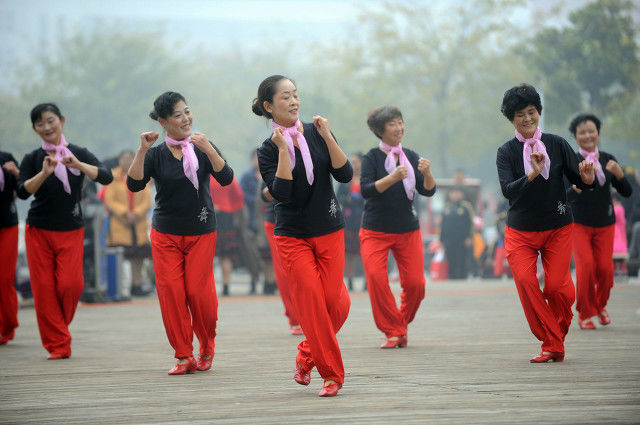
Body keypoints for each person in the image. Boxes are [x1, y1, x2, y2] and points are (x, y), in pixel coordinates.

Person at [253, 75, 352, 397]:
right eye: (285, 97)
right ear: (269, 106)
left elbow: (345, 174)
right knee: (311, 302)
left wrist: (327, 136)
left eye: (295, 95)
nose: (294, 102)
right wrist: (283, 151)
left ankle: (305, 355)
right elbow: (280, 191)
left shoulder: (318, 131)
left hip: (329, 229)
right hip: (292, 234)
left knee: (337, 305)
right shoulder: (267, 150)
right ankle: (332, 375)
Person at [127, 91, 233, 374]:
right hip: (166, 233)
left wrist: (208, 148)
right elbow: (134, 184)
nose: (186, 118)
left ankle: (206, 346)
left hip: (201, 230)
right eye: (178, 115)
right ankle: (183, 355)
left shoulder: (202, 146)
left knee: (199, 294)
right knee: (172, 293)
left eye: (187, 111)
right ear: (163, 121)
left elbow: (226, 177)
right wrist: (142, 150)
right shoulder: (157, 155)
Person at [496, 84, 595, 363]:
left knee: (556, 288)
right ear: (511, 118)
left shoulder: (558, 144)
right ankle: (552, 342)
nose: (527, 119)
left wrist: (586, 180)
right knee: (527, 283)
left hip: (558, 226)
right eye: (519, 114)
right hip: (520, 231)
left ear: (538, 112)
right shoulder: (506, 152)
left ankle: (554, 338)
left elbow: (578, 180)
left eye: (531, 112)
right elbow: (507, 190)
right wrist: (531, 173)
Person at [17, 103, 114, 359]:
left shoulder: (78, 152)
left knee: (72, 285)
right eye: (40, 124)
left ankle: (58, 327)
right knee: (44, 289)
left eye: (50, 120)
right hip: (38, 229)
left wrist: (79, 165)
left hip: (71, 227)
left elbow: (105, 176)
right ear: (35, 129)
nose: (47, 127)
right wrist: (44, 173)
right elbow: (22, 191)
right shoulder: (33, 159)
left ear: (61, 120)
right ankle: (58, 344)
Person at [359, 106, 436, 349]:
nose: (399, 127)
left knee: (416, 284)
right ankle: (393, 330)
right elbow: (366, 190)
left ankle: (399, 323)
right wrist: (392, 178)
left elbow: (428, 190)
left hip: (407, 228)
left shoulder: (410, 156)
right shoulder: (371, 158)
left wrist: (427, 173)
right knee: (375, 278)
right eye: (393, 124)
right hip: (375, 230)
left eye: (400, 122)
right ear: (381, 131)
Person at [566, 114, 632, 329]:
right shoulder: (572, 162)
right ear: (575, 137)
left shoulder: (607, 159)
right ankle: (585, 313)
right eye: (582, 132)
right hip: (580, 223)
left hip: (605, 222)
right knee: (586, 268)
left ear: (598, 133)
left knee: (605, 270)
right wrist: (582, 183)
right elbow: (565, 196)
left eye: (591, 131)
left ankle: (599, 305)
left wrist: (620, 176)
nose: (587, 135)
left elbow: (627, 192)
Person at [104, 149, 153, 296]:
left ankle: (136, 284)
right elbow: (110, 200)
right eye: (124, 159)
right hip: (121, 223)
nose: (127, 162)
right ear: (119, 161)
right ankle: (119, 289)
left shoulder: (141, 174)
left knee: (138, 257)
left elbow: (147, 199)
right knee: (120, 256)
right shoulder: (113, 177)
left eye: (130, 158)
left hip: (138, 223)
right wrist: (125, 213)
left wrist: (137, 213)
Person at [261, 184, 302, 334]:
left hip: (305, 219)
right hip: (277, 221)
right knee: (284, 270)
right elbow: (264, 194)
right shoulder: (273, 160)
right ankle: (294, 317)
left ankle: (307, 314)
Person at [210, 177, 246, 296]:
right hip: (227, 217)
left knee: (207, 255)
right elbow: (239, 196)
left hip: (209, 215)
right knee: (226, 255)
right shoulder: (228, 177)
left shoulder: (205, 176)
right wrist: (231, 207)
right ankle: (226, 285)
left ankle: (208, 286)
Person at [336, 152, 365, 292]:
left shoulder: (367, 178)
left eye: (355, 162)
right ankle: (350, 279)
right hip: (348, 220)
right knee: (349, 253)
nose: (353, 164)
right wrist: (346, 200)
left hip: (363, 219)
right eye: (351, 162)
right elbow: (338, 196)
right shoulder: (346, 178)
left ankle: (367, 281)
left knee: (365, 252)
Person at [0, 149, 20, 345]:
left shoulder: (6, 158)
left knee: (5, 278)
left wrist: (17, 174)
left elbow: (22, 190)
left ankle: (7, 325)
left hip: (7, 224)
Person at [440, 187, 474, 279]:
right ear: (450, 195)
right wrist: (441, 240)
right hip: (448, 239)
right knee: (450, 258)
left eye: (457, 193)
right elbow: (442, 225)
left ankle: (463, 277)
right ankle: (452, 277)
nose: (455, 195)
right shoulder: (446, 207)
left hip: (462, 239)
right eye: (453, 193)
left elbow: (470, 223)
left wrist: (469, 237)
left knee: (461, 258)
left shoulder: (466, 207)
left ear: (461, 194)